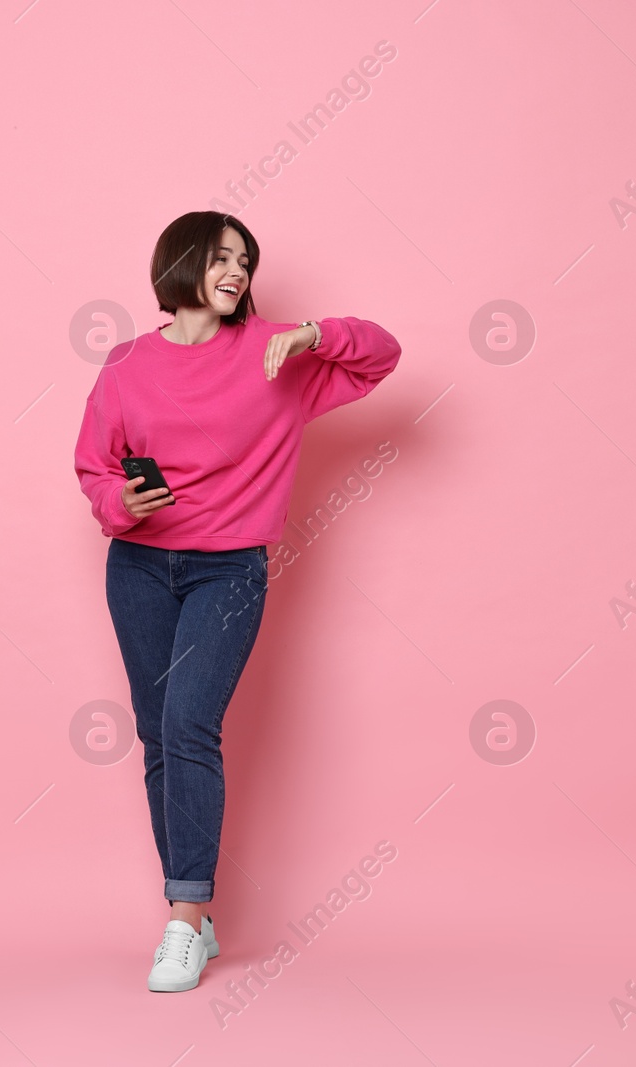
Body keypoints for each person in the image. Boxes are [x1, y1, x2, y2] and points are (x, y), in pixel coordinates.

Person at [73, 210, 401, 992]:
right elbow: (93, 468)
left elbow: (383, 355)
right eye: (223, 257)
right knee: (157, 735)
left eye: (246, 261)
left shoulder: (275, 353)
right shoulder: (125, 363)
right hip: (140, 568)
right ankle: (196, 912)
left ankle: (183, 920)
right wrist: (127, 506)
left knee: (189, 721)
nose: (237, 272)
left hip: (230, 570)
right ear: (181, 262)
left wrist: (315, 334)